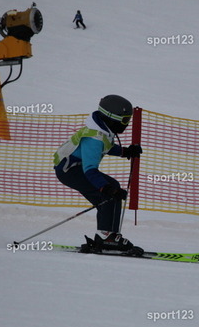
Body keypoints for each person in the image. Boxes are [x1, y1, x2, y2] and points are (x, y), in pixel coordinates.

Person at [54, 95, 143, 254]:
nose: (127, 124)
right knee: (109, 192)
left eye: (128, 120)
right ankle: (107, 236)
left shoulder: (102, 130)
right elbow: (90, 169)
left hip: (75, 167)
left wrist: (125, 151)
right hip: (69, 170)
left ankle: (107, 236)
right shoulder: (94, 138)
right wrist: (105, 188)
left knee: (109, 194)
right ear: (111, 118)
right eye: (124, 120)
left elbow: (106, 146)